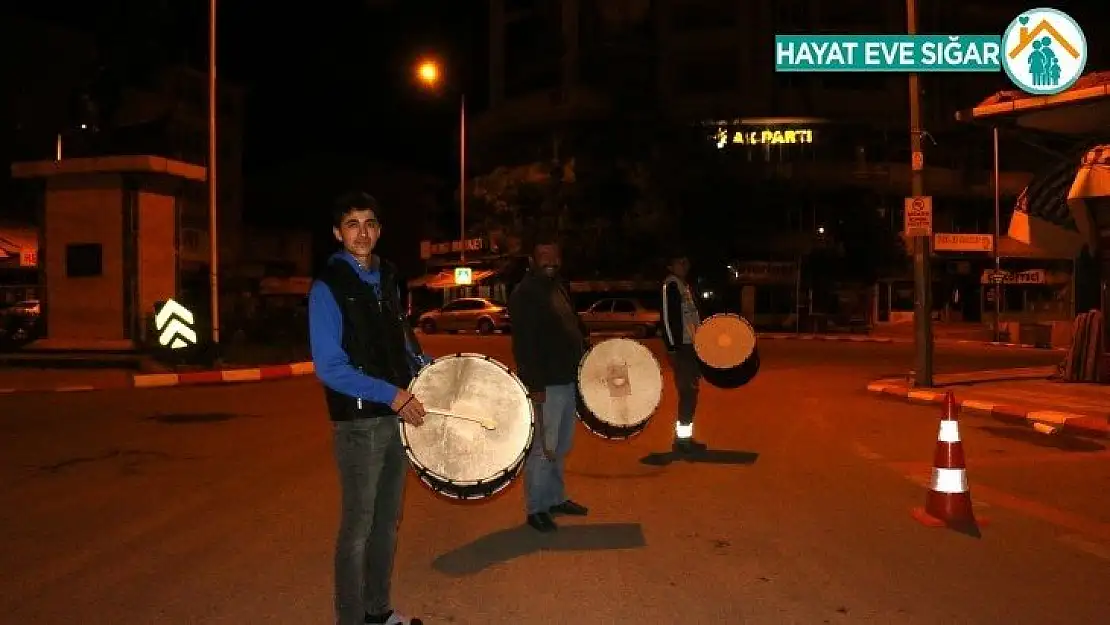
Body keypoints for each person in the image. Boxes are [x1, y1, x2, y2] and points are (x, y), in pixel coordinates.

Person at [308, 191, 429, 625]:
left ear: (380, 230)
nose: (363, 232)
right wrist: (392, 394)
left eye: (370, 223)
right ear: (338, 233)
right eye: (352, 224)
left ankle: (377, 611)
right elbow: (329, 366)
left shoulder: (388, 278)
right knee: (357, 530)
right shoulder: (329, 287)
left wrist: (428, 370)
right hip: (359, 422)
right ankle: (350, 619)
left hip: (396, 418)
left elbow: (400, 339)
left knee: (386, 523)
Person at [509, 240, 590, 532]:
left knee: (561, 445)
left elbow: (574, 328)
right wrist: (535, 384)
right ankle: (536, 508)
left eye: (555, 255)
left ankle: (555, 498)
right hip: (547, 383)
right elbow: (524, 345)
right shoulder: (525, 294)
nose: (551, 260)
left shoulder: (558, 287)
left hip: (568, 379)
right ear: (532, 259)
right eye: (544, 255)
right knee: (544, 448)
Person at [661, 254, 708, 454]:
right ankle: (682, 441)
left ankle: (685, 439)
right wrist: (672, 348)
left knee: (691, 392)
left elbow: (694, 316)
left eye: (686, 262)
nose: (685, 265)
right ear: (671, 265)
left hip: (692, 346)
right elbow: (667, 318)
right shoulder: (671, 286)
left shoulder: (685, 286)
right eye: (680, 262)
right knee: (688, 392)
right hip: (681, 348)